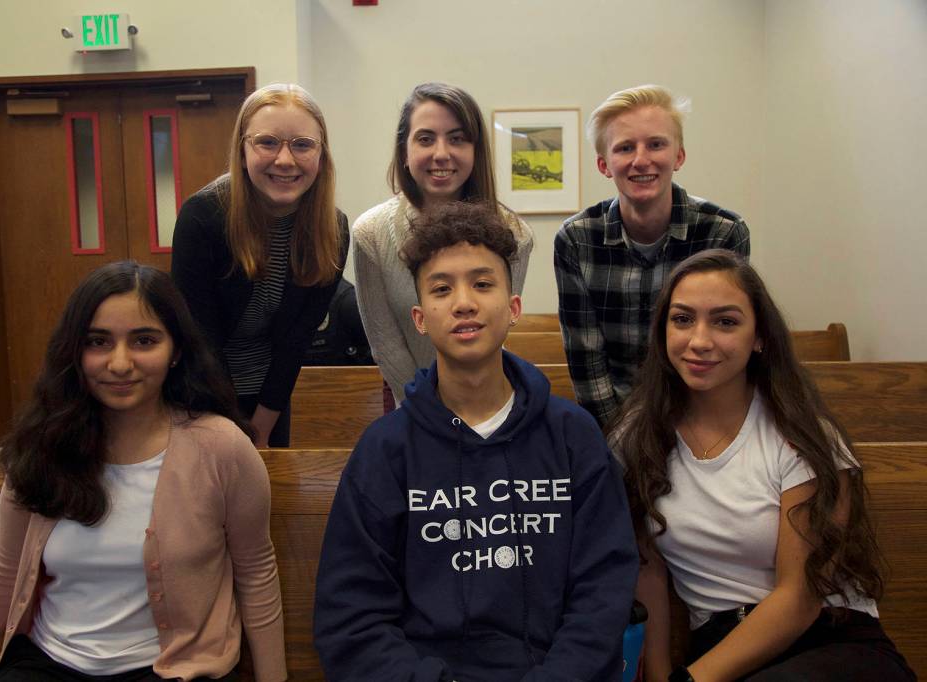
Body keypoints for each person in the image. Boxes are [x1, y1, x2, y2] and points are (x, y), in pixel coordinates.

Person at [314, 201, 637, 682]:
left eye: (482, 284)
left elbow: (603, 591)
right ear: (421, 318)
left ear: (513, 308)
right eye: (442, 289)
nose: (463, 301)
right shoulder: (386, 450)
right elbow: (351, 618)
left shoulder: (573, 436)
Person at [0, 261, 286, 681]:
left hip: (173, 669)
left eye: (144, 341)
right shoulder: (43, 446)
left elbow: (256, 571)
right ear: (75, 353)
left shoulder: (221, 448)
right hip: (47, 665)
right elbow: (3, 573)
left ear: (176, 352)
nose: (119, 363)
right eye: (98, 342)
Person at [610, 250, 915, 681]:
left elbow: (799, 598)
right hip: (720, 648)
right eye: (682, 319)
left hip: (829, 640)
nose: (699, 340)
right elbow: (647, 569)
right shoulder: (636, 437)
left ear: (759, 337)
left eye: (725, 322)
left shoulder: (804, 437)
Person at [555, 84, 750, 427]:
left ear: (679, 155)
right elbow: (587, 362)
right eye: (625, 148)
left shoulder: (724, 233)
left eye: (656, 144)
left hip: (702, 417)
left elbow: (722, 349)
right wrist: (621, 443)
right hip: (612, 424)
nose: (641, 160)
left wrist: (691, 436)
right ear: (604, 164)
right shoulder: (577, 240)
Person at [172, 82, 348, 447]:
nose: (285, 160)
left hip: (271, 397)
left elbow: (296, 340)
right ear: (242, 150)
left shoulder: (332, 228)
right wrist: (232, 430)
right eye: (267, 142)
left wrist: (262, 428)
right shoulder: (203, 217)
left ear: (322, 154)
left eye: (302, 144)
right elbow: (201, 338)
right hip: (201, 395)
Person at [353, 82, 534, 407]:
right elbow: (386, 345)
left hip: (487, 399)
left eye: (457, 139)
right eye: (425, 139)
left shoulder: (514, 234)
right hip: (411, 406)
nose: (441, 153)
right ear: (404, 152)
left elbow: (493, 331)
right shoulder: (370, 233)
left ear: (475, 151)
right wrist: (428, 411)